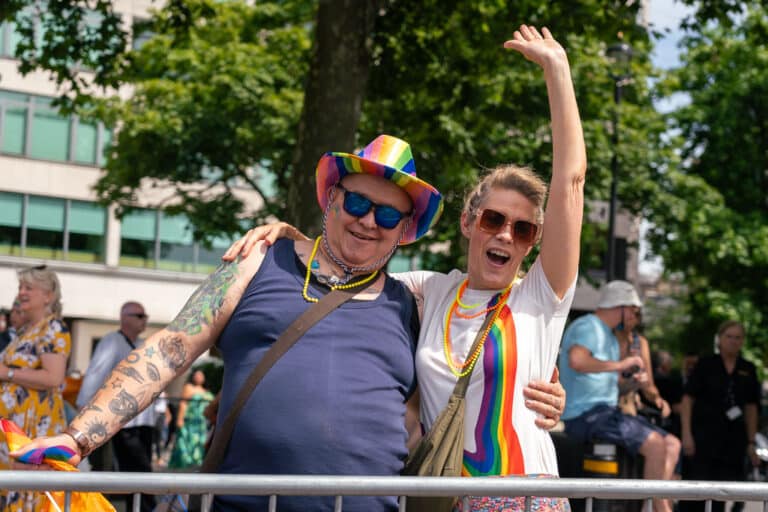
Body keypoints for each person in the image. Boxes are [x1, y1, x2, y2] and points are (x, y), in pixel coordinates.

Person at [226, 24, 580, 512]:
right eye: (494, 219)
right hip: (446, 502)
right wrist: (293, 237)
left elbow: (570, 186)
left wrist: (558, 73)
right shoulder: (428, 292)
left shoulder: (539, 300)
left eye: (523, 231)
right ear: (468, 222)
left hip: (527, 499)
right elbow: (354, 258)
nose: (506, 235)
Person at [559, 280, 681, 512]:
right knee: (656, 445)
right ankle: (660, 507)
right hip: (586, 415)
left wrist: (634, 384)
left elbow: (611, 385)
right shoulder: (589, 325)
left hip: (605, 413)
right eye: (633, 310)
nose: (636, 316)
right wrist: (621, 364)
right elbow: (577, 360)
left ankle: (653, 503)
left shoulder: (609, 336)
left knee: (672, 444)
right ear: (621, 306)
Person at [75, 301, 158, 512]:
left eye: (144, 316)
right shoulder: (112, 342)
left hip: (143, 421)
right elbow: (95, 374)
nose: (144, 320)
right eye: (139, 315)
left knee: (139, 474)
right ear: (125, 318)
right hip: (124, 422)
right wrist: (84, 411)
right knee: (136, 474)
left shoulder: (141, 343)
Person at [0, 266, 71, 512]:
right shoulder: (26, 331)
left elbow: (53, 377)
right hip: (16, 430)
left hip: (34, 428)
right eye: (21, 287)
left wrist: (7, 373)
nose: (22, 293)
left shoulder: (53, 328)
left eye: (28, 288)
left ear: (48, 295)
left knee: (30, 495)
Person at [679, 320, 760, 512]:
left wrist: (751, 442)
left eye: (738, 337)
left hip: (733, 440)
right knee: (696, 490)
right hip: (703, 438)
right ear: (720, 339)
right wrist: (686, 434)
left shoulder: (748, 369)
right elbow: (687, 400)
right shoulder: (706, 365)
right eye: (729, 336)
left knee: (725, 491)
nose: (733, 341)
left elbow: (751, 407)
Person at [168, 369, 213, 469]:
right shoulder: (188, 387)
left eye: (201, 375)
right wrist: (180, 418)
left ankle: (197, 462)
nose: (198, 377)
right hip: (190, 420)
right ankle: (185, 462)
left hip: (201, 422)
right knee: (186, 440)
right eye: (196, 375)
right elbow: (183, 403)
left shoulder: (206, 391)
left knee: (199, 442)